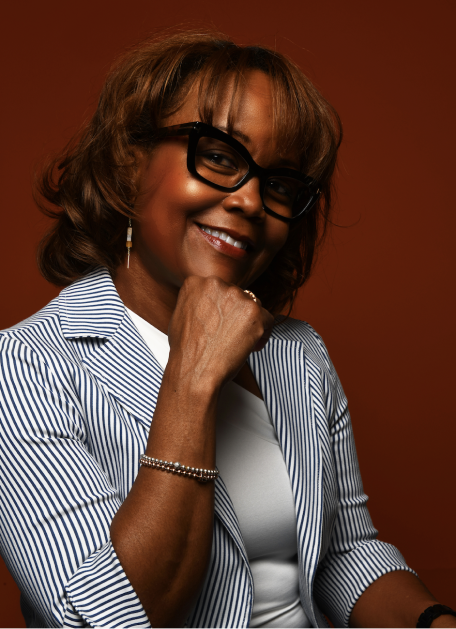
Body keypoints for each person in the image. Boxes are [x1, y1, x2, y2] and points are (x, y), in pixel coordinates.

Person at [0, 30, 454, 629]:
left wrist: (433, 621)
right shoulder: (29, 364)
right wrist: (193, 373)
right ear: (129, 163)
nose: (250, 200)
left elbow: (345, 554)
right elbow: (105, 618)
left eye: (281, 183)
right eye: (218, 155)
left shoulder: (299, 353)